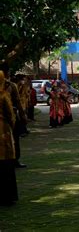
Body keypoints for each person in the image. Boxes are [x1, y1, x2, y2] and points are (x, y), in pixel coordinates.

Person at [0, 70, 18, 206]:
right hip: (3, 132)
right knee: (6, 165)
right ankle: (8, 196)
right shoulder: (3, 96)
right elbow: (11, 116)